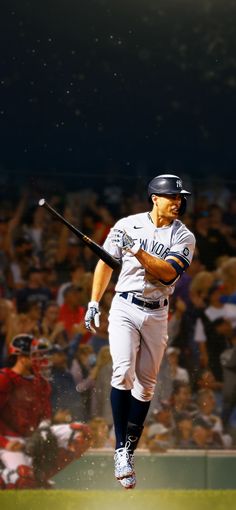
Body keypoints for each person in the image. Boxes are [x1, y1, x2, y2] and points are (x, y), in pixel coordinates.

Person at [85, 173, 195, 489]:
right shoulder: (126, 225)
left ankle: (128, 452)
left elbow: (165, 272)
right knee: (122, 373)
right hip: (124, 306)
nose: (178, 202)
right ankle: (120, 450)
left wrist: (136, 250)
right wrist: (94, 301)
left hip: (158, 313)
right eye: (172, 197)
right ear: (155, 198)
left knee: (146, 387)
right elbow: (106, 262)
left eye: (180, 197)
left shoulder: (184, 236)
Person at [0, 334, 91, 489]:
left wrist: (43, 427)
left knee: (82, 433)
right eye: (35, 355)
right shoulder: (5, 378)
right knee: (23, 481)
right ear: (21, 357)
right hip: (10, 439)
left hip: (33, 436)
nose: (41, 359)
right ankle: (10, 476)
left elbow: (45, 414)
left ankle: (40, 478)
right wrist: (5, 442)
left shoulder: (41, 382)